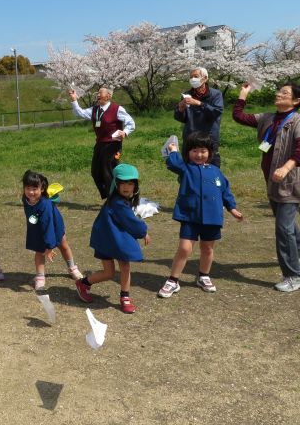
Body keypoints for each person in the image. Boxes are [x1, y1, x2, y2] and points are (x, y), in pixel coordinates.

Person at [157, 133, 243, 299]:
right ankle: (173, 280)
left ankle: (203, 276)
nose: (199, 154)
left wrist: (232, 208)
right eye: (194, 151)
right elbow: (173, 163)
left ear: (209, 153)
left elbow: (225, 191)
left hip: (212, 217)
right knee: (184, 248)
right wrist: (173, 150)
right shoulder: (185, 169)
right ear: (188, 153)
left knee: (207, 248)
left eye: (203, 151)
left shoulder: (216, 171)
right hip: (190, 215)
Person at [233, 82, 300, 292]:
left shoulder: (297, 121)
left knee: (283, 229)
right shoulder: (268, 118)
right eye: (279, 91)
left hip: (291, 182)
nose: (279, 94)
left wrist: (287, 167)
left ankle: (292, 275)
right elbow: (239, 116)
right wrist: (243, 95)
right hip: (272, 181)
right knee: (288, 228)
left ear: (296, 101)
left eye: (285, 93)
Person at [75, 164, 150, 314]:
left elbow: (127, 218)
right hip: (108, 241)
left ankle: (125, 297)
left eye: (130, 183)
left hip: (111, 239)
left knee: (124, 266)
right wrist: (143, 232)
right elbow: (131, 222)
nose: (126, 187)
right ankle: (83, 283)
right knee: (109, 273)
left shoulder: (120, 201)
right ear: (116, 184)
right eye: (122, 183)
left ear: (135, 185)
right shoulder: (118, 202)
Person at [69, 86, 135, 199]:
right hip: (100, 145)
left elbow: (131, 123)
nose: (98, 95)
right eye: (97, 93)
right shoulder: (95, 109)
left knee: (107, 170)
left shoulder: (117, 109)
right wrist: (74, 100)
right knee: (95, 171)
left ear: (109, 96)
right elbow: (80, 113)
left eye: (100, 93)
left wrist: (125, 132)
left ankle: (113, 199)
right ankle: (111, 194)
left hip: (113, 145)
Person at [22, 170, 82, 290]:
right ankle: (40, 276)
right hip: (37, 228)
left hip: (54, 226)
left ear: (42, 189)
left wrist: (49, 246)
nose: (31, 192)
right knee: (39, 251)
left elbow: (48, 225)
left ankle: (72, 268)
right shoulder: (25, 199)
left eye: (34, 189)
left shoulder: (45, 204)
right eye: (28, 188)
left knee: (63, 246)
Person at [174, 67, 224, 167]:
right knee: (189, 169)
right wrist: (180, 109)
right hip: (190, 136)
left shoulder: (215, 94)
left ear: (205, 78)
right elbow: (181, 118)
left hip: (209, 137)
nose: (193, 79)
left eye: (196, 76)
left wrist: (199, 103)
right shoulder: (186, 94)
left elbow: (217, 112)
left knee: (211, 168)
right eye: (191, 77)